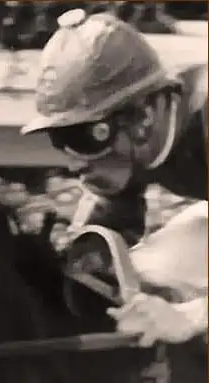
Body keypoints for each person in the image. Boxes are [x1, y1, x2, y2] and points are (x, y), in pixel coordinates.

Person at [21, 9, 207, 348]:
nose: (75, 163)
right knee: (148, 268)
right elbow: (107, 241)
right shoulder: (135, 144)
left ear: (144, 117)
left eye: (84, 138)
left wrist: (193, 316)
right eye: (61, 139)